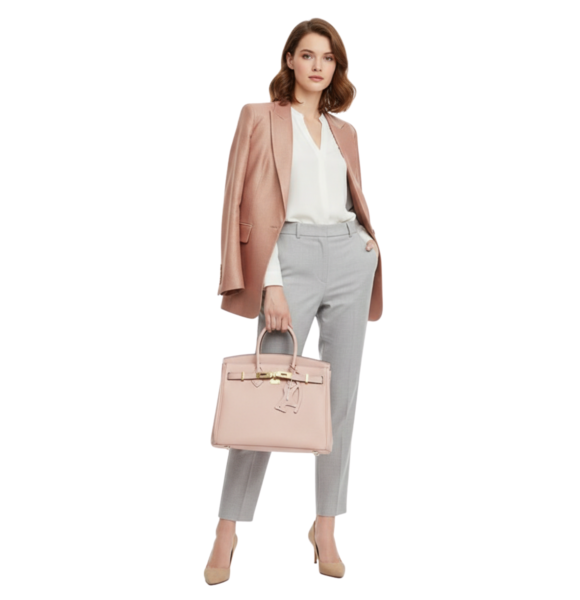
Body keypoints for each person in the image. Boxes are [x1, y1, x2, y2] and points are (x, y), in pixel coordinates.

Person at [205, 18, 383, 585]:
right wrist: (272, 282)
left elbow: (350, 197)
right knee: (265, 395)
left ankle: (325, 527)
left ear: (336, 67)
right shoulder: (259, 118)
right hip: (290, 258)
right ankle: (227, 530)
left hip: (350, 258)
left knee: (340, 402)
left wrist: (367, 244)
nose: (317, 66)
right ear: (289, 60)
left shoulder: (344, 131)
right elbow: (242, 203)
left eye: (327, 58)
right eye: (307, 55)